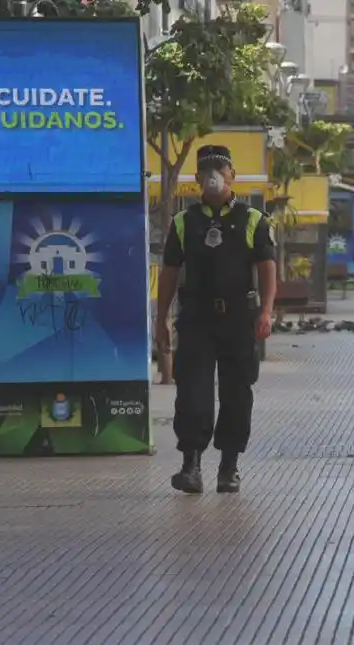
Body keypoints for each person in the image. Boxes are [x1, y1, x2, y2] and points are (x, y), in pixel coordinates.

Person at [155, 145, 277, 495]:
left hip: (239, 318)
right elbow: (169, 273)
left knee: (238, 393)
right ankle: (190, 466)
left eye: (220, 168)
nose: (213, 175)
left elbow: (268, 268)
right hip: (196, 318)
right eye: (206, 169)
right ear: (195, 179)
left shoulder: (253, 219)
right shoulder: (184, 222)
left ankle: (229, 466)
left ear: (232, 176)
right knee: (192, 392)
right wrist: (160, 318)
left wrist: (267, 311)